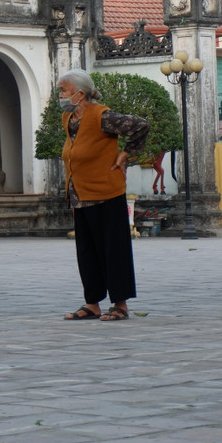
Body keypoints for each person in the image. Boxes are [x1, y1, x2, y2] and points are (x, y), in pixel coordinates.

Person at [57, 69, 149, 322]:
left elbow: (140, 126)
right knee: (87, 252)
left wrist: (125, 154)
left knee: (113, 250)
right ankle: (92, 303)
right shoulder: (68, 118)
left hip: (107, 192)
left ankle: (120, 304)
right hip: (80, 193)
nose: (61, 96)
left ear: (80, 94)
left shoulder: (103, 116)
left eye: (64, 91)